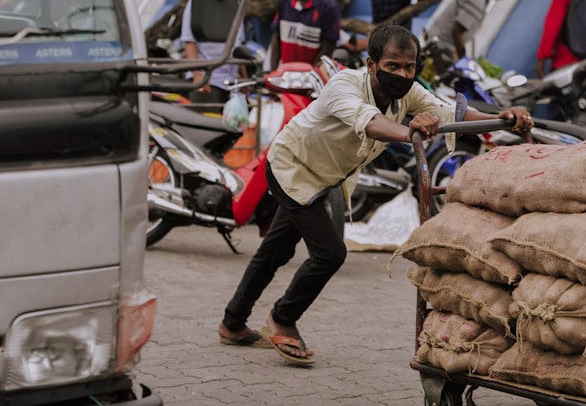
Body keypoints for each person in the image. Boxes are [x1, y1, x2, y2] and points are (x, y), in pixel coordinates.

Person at [217, 24, 534, 365]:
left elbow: (449, 112)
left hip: (325, 175)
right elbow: (370, 122)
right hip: (292, 168)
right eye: (393, 66)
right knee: (330, 253)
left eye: (409, 67)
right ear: (372, 64)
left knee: (275, 250)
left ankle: (232, 323)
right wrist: (409, 131)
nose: (402, 74)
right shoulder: (345, 85)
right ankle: (282, 319)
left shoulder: (407, 93)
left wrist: (500, 119)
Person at [423, 0, 509, 76]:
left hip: (440, 40)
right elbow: (457, 30)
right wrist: (462, 57)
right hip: (442, 44)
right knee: (451, 82)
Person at [181, 0, 246, 104]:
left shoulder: (236, 4)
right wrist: (198, 77)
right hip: (208, 81)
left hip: (230, 84)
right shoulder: (197, 4)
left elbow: (237, 45)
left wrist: (244, 77)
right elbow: (190, 42)